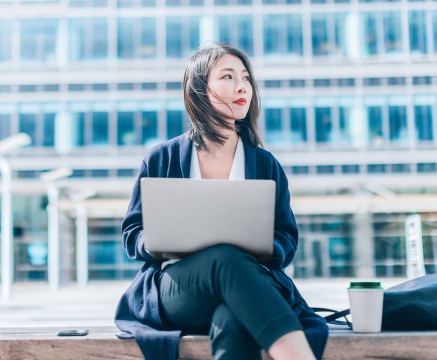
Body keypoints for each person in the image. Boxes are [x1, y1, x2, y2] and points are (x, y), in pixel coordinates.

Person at [115, 43, 328, 360]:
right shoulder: (162, 158)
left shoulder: (265, 164)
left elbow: (286, 236)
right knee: (224, 258)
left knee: (232, 317)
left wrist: (265, 246)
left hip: (247, 285)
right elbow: (133, 233)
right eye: (228, 77)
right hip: (179, 290)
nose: (242, 86)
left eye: (245, 78)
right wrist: (159, 239)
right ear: (199, 89)